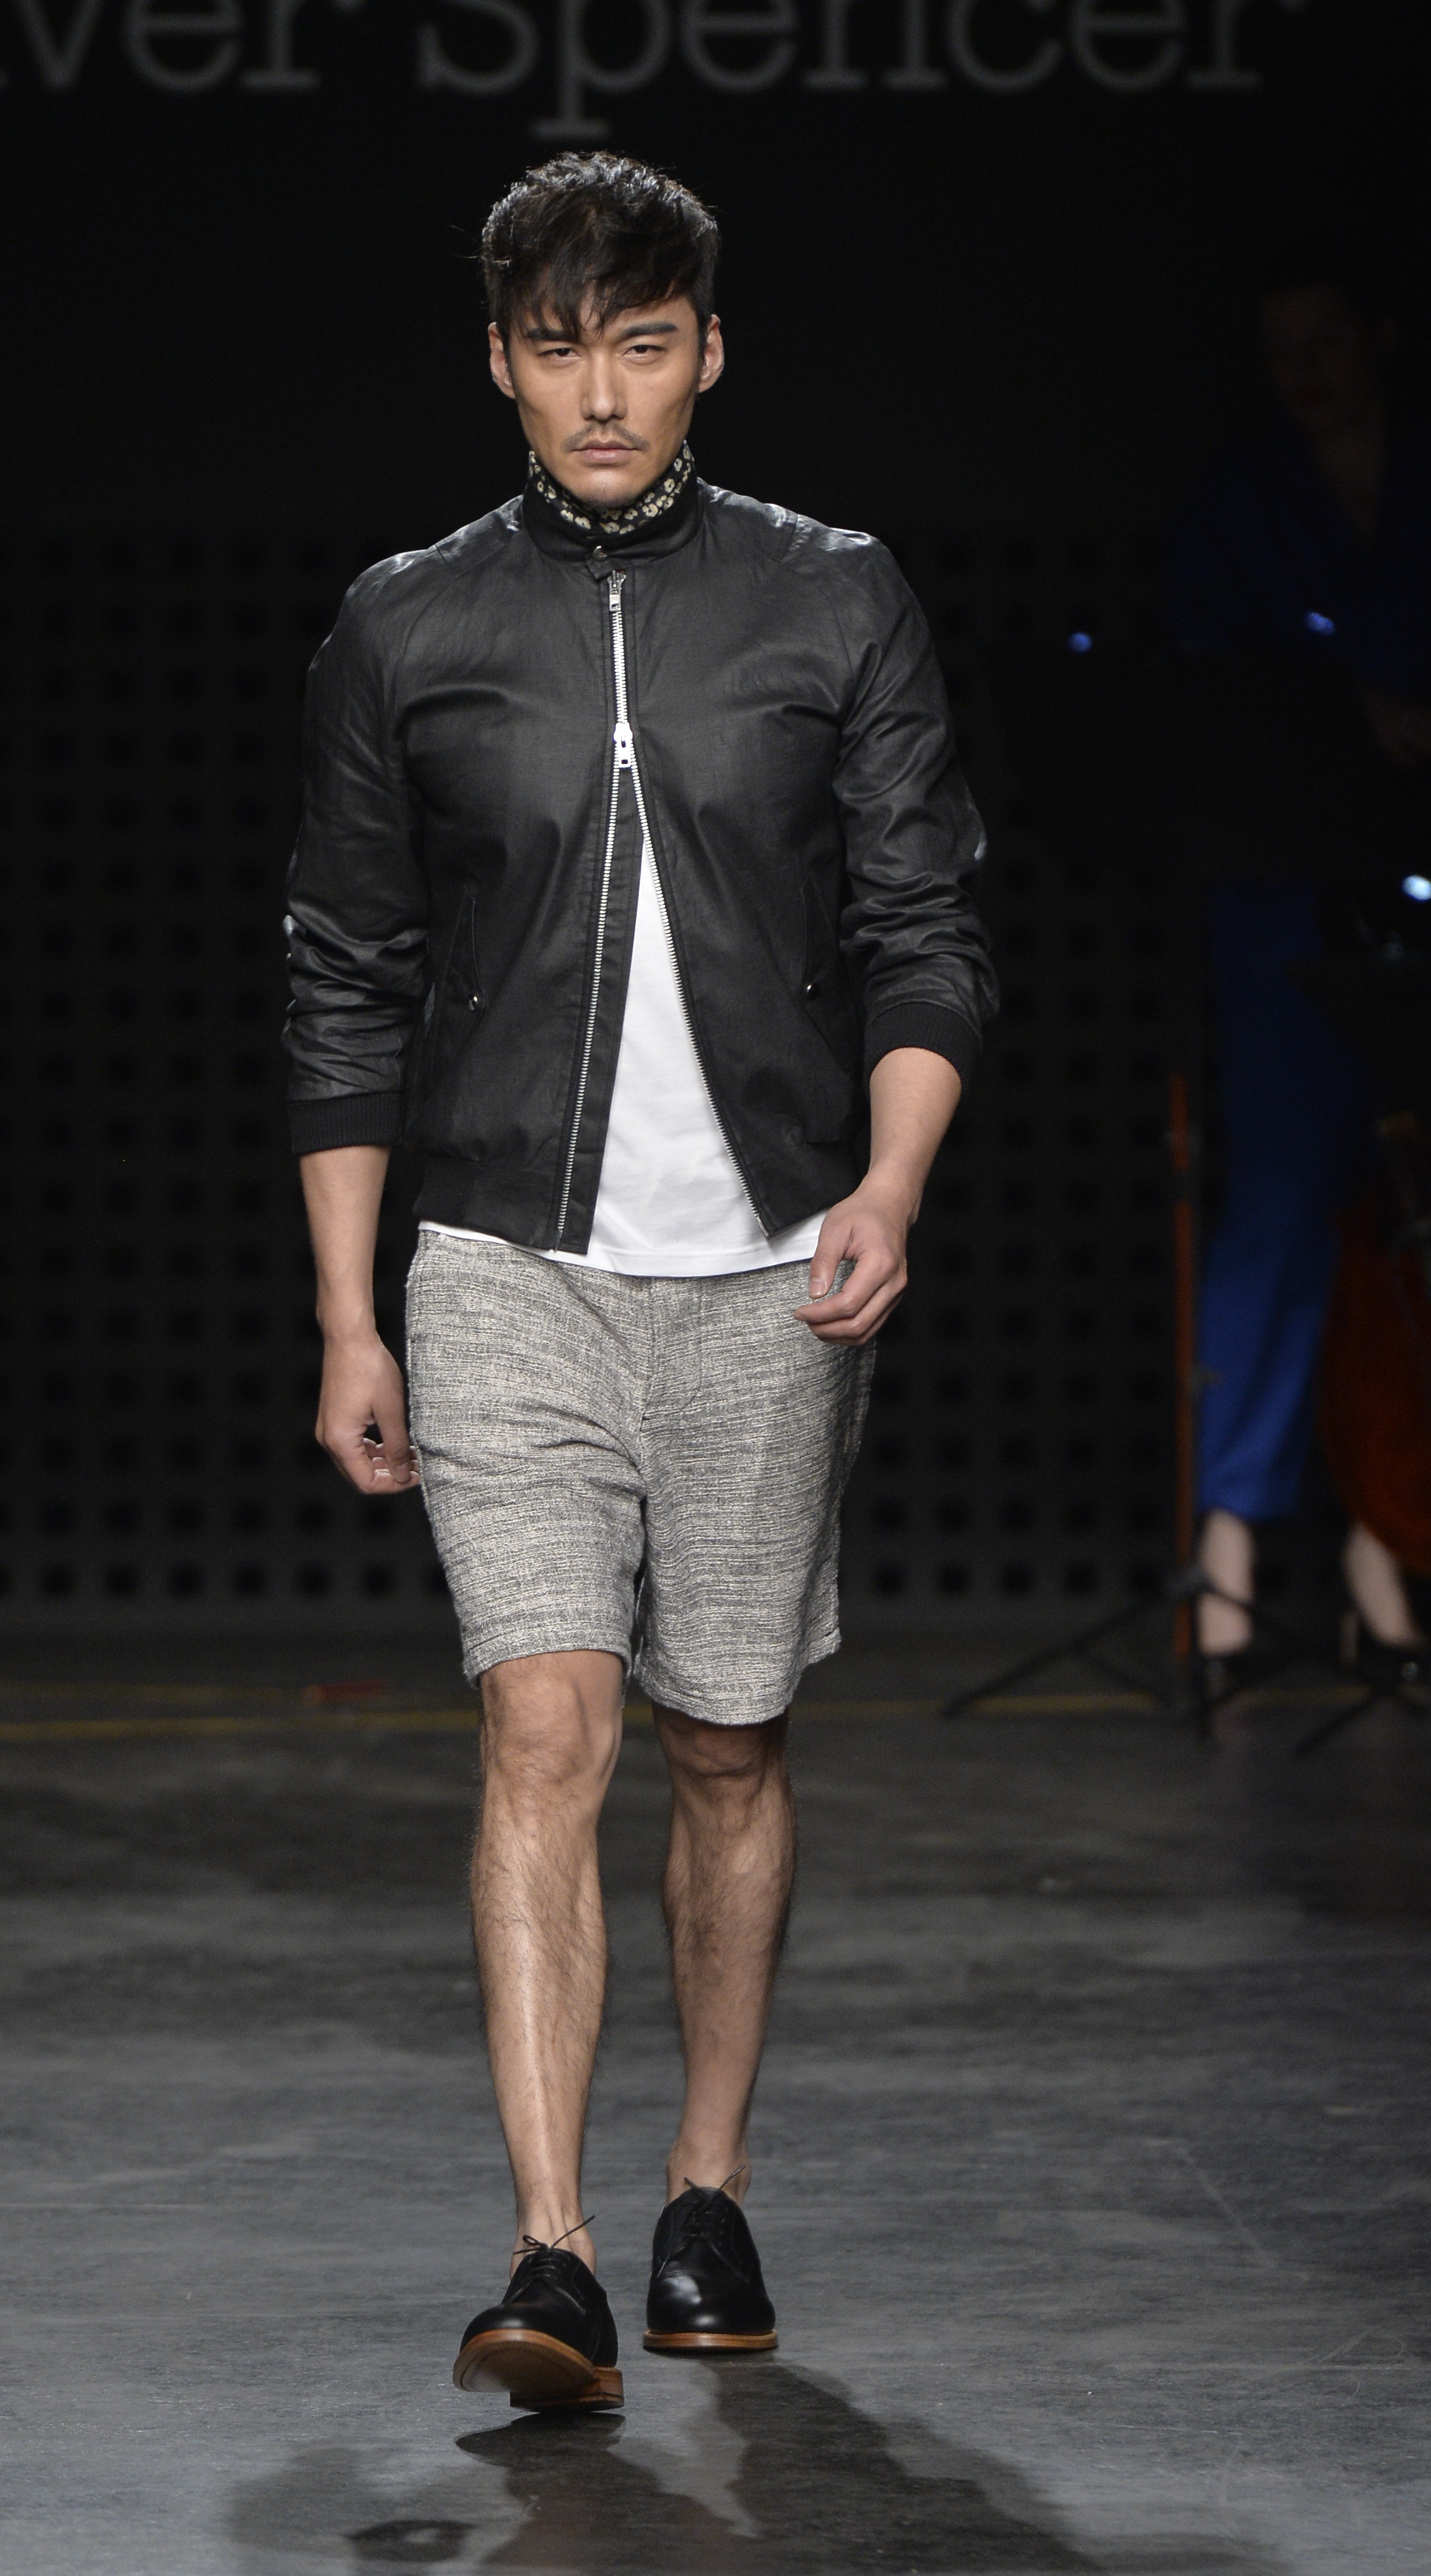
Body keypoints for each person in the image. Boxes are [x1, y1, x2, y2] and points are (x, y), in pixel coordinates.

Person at [283, 152, 995, 2411]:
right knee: (543, 1726)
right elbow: (342, 971)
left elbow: (925, 926)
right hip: (506, 1261)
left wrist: (891, 1182)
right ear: (499, 362)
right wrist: (351, 1312)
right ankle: (554, 2251)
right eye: (559, 348)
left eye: (646, 344)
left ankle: (705, 2188)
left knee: (726, 1737)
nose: (603, 394)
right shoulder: (407, 622)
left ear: (711, 353)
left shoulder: (834, 596)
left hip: (775, 1268)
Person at [1166, 242, 1430, 1671]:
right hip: (1285, 899)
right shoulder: (1242, 501)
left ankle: (1386, 1540)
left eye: (1326, 341)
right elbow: (1212, 693)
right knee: (1278, 1201)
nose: (1306, 373)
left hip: (1417, 882)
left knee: (1404, 1214)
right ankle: (1230, 1555)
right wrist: (1347, 716)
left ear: (1378, 337)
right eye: (1283, 350)